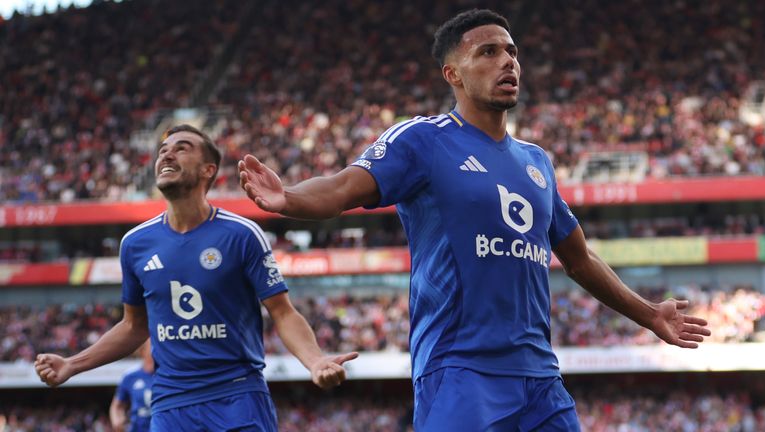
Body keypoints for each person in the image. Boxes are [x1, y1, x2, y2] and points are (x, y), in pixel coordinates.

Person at [237, 9, 711, 431]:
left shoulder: (537, 162)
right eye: (488, 52)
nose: (508, 62)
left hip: (540, 378)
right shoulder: (422, 140)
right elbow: (342, 188)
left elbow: (580, 259)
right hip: (460, 371)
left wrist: (648, 314)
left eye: (512, 52)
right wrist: (289, 199)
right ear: (453, 74)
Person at [35, 124, 357, 431]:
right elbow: (134, 326)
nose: (167, 155)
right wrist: (72, 365)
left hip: (238, 397)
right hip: (171, 405)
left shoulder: (242, 235)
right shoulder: (134, 244)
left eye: (182, 148)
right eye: (163, 150)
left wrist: (314, 361)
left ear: (208, 171)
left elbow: (283, 311)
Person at [110, 341, 154, 432]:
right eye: (152, 346)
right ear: (142, 351)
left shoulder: (167, 375)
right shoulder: (130, 376)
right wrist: (117, 421)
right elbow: (117, 406)